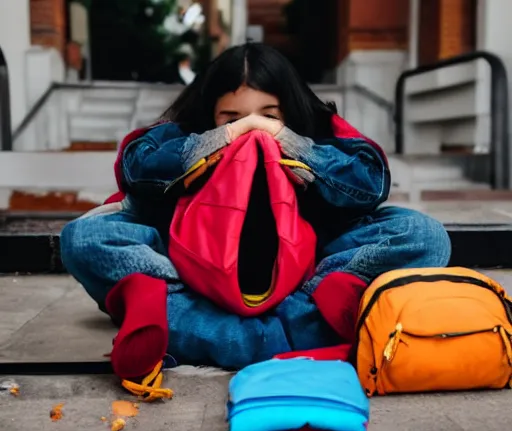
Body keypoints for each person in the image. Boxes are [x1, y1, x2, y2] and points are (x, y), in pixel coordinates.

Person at [60, 43, 451, 385]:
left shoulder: (314, 133)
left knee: (425, 235)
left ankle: (177, 327)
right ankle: (304, 331)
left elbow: (370, 183)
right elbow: (136, 168)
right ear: (209, 113)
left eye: (269, 115)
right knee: (84, 235)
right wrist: (220, 142)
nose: (252, 128)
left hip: (304, 279)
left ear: (291, 111)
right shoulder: (184, 136)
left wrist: (292, 146)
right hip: (195, 276)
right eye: (231, 117)